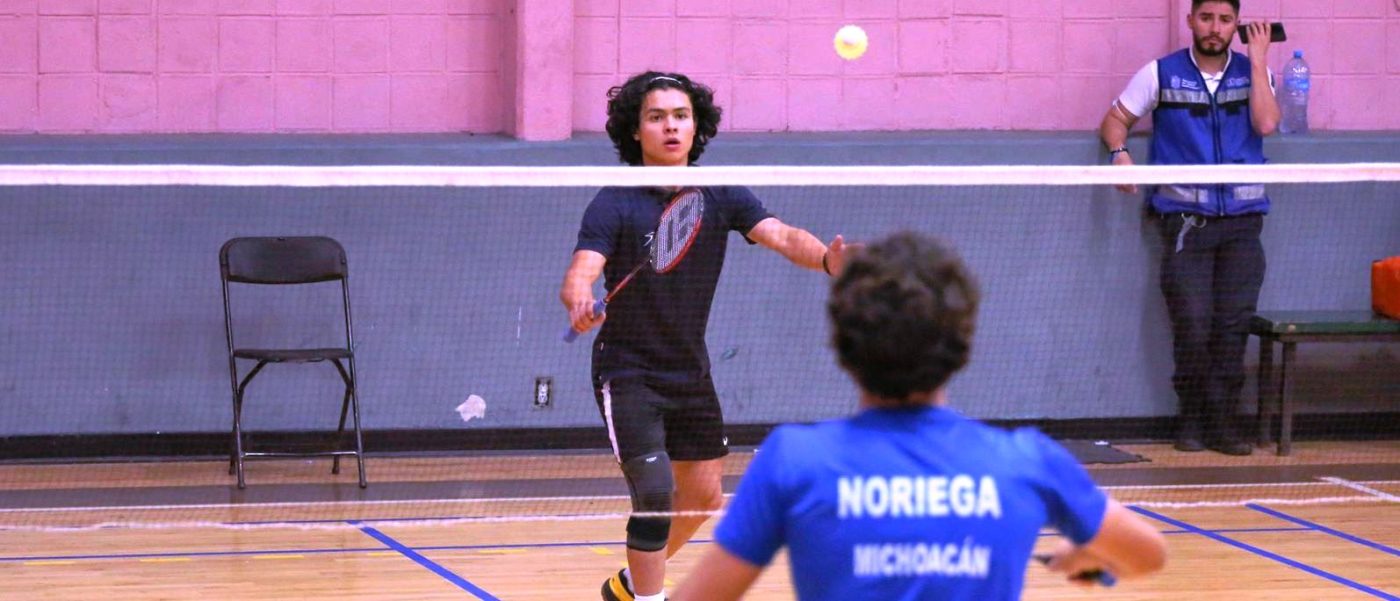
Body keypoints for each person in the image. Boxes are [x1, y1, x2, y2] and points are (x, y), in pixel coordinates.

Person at [671, 232, 1167, 601]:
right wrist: (1087, 555)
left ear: (842, 344)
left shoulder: (793, 460)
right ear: (962, 343)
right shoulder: (1030, 461)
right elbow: (1150, 554)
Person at [560, 71, 852, 601]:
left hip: (690, 372)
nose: (671, 127)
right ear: (635, 130)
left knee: (702, 500)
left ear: (696, 127)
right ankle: (651, 598)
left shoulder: (720, 191)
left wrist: (828, 261)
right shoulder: (614, 202)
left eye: (681, 116)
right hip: (628, 373)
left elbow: (782, 235)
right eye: (656, 117)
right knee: (655, 495)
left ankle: (627, 588)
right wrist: (580, 298)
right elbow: (583, 269)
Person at [1099, 0, 1280, 456]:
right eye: (1206, 18)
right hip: (1186, 224)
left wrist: (1258, 60)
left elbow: (1266, 123)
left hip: (1243, 223)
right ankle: (1192, 419)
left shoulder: (1254, 74)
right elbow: (1115, 119)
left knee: (1233, 326)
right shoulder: (1160, 73)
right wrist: (1119, 153)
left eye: (1225, 20)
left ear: (1236, 25)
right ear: (1191, 21)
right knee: (1193, 325)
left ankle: (1224, 423)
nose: (1215, 28)